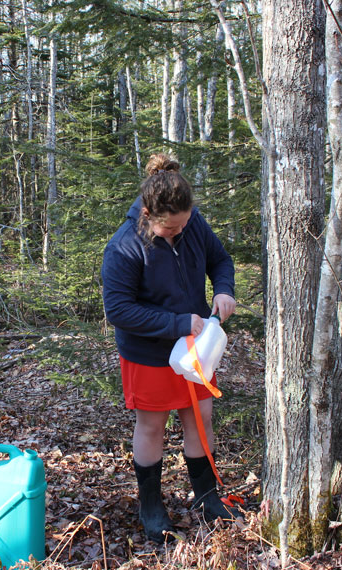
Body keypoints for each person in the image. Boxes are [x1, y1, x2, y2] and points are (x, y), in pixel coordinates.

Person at [101, 153, 242, 542]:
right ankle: (150, 505)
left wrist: (225, 290)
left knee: (201, 416)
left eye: (183, 224)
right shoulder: (125, 246)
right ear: (147, 213)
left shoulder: (191, 223)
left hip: (195, 348)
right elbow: (119, 310)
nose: (177, 232)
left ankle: (206, 497)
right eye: (169, 228)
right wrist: (178, 322)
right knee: (152, 425)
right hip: (148, 353)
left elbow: (220, 259)